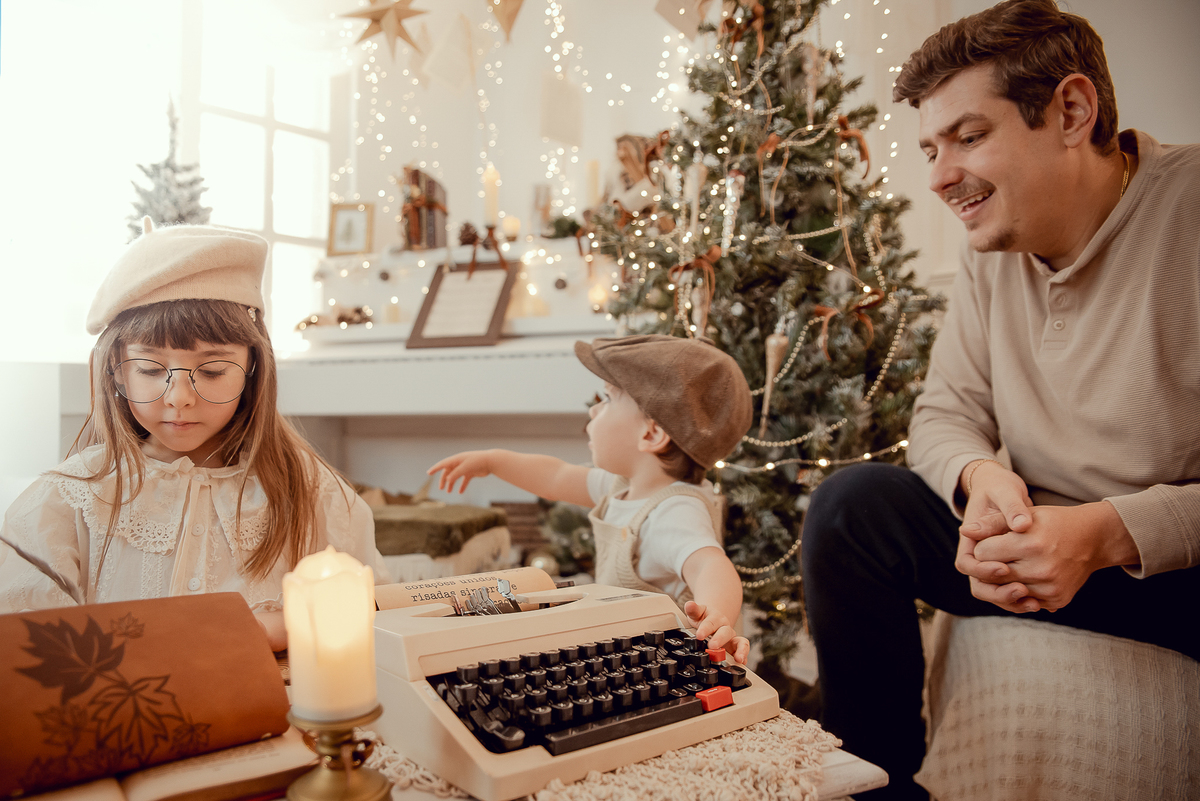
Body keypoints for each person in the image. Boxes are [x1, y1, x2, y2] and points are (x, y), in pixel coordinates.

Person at [798, 0, 1200, 797]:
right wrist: (983, 482)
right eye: (931, 148)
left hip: (1172, 570)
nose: (941, 176)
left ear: (1072, 112)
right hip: (1029, 546)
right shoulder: (994, 241)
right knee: (852, 506)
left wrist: (1106, 534)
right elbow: (944, 413)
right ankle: (876, 779)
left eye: (969, 137)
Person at [0, 218, 389, 649]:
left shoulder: (313, 492)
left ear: (253, 369)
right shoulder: (67, 500)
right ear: (116, 370)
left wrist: (270, 631)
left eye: (212, 370)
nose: (179, 397)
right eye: (150, 369)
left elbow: (373, 609)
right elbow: (25, 643)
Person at [429, 334, 754, 663]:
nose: (594, 409)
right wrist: (494, 460)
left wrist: (716, 617)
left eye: (609, 398)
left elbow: (710, 566)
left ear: (651, 434)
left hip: (663, 664)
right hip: (625, 652)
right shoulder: (625, 486)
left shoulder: (674, 510)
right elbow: (556, 477)